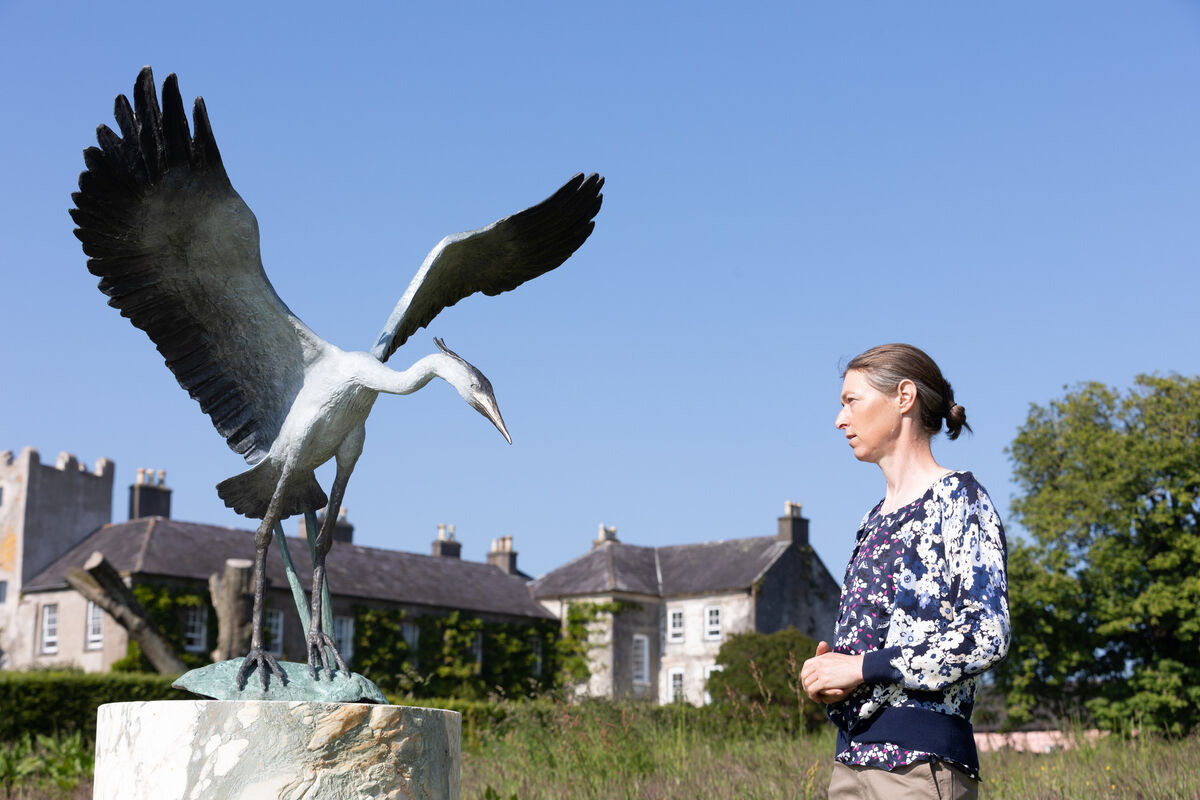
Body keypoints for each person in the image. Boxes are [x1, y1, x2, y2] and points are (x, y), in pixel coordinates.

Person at [801, 343, 1010, 800]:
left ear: (904, 396)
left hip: (917, 767)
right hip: (850, 764)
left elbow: (986, 635)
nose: (839, 420)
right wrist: (832, 677)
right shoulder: (871, 520)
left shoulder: (959, 499)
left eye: (851, 401)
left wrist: (860, 667)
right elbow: (877, 661)